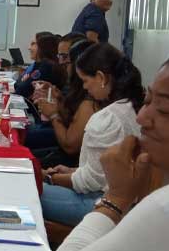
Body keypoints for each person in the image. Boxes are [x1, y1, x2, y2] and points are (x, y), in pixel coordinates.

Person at [43, 54, 169, 251]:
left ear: (102, 78)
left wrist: (116, 198)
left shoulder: (168, 211)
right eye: (148, 100)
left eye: (163, 109)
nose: (142, 117)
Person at [40, 43, 144, 226]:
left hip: (101, 204)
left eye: (86, 81)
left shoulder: (107, 118)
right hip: (126, 203)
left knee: (29, 190)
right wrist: (73, 171)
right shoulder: (131, 107)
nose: (85, 88)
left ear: (101, 77)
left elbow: (89, 182)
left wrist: (49, 178)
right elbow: (101, 172)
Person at [31, 40, 97, 166]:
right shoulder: (78, 88)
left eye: (66, 57)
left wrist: (53, 114)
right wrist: (59, 99)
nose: (63, 62)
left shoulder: (89, 101)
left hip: (71, 162)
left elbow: (70, 146)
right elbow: (72, 120)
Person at [14, 32, 64, 99]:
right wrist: (22, 82)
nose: (29, 48)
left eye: (33, 44)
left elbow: (20, 91)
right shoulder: (39, 64)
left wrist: (22, 82)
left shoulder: (46, 66)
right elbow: (17, 85)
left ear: (43, 46)